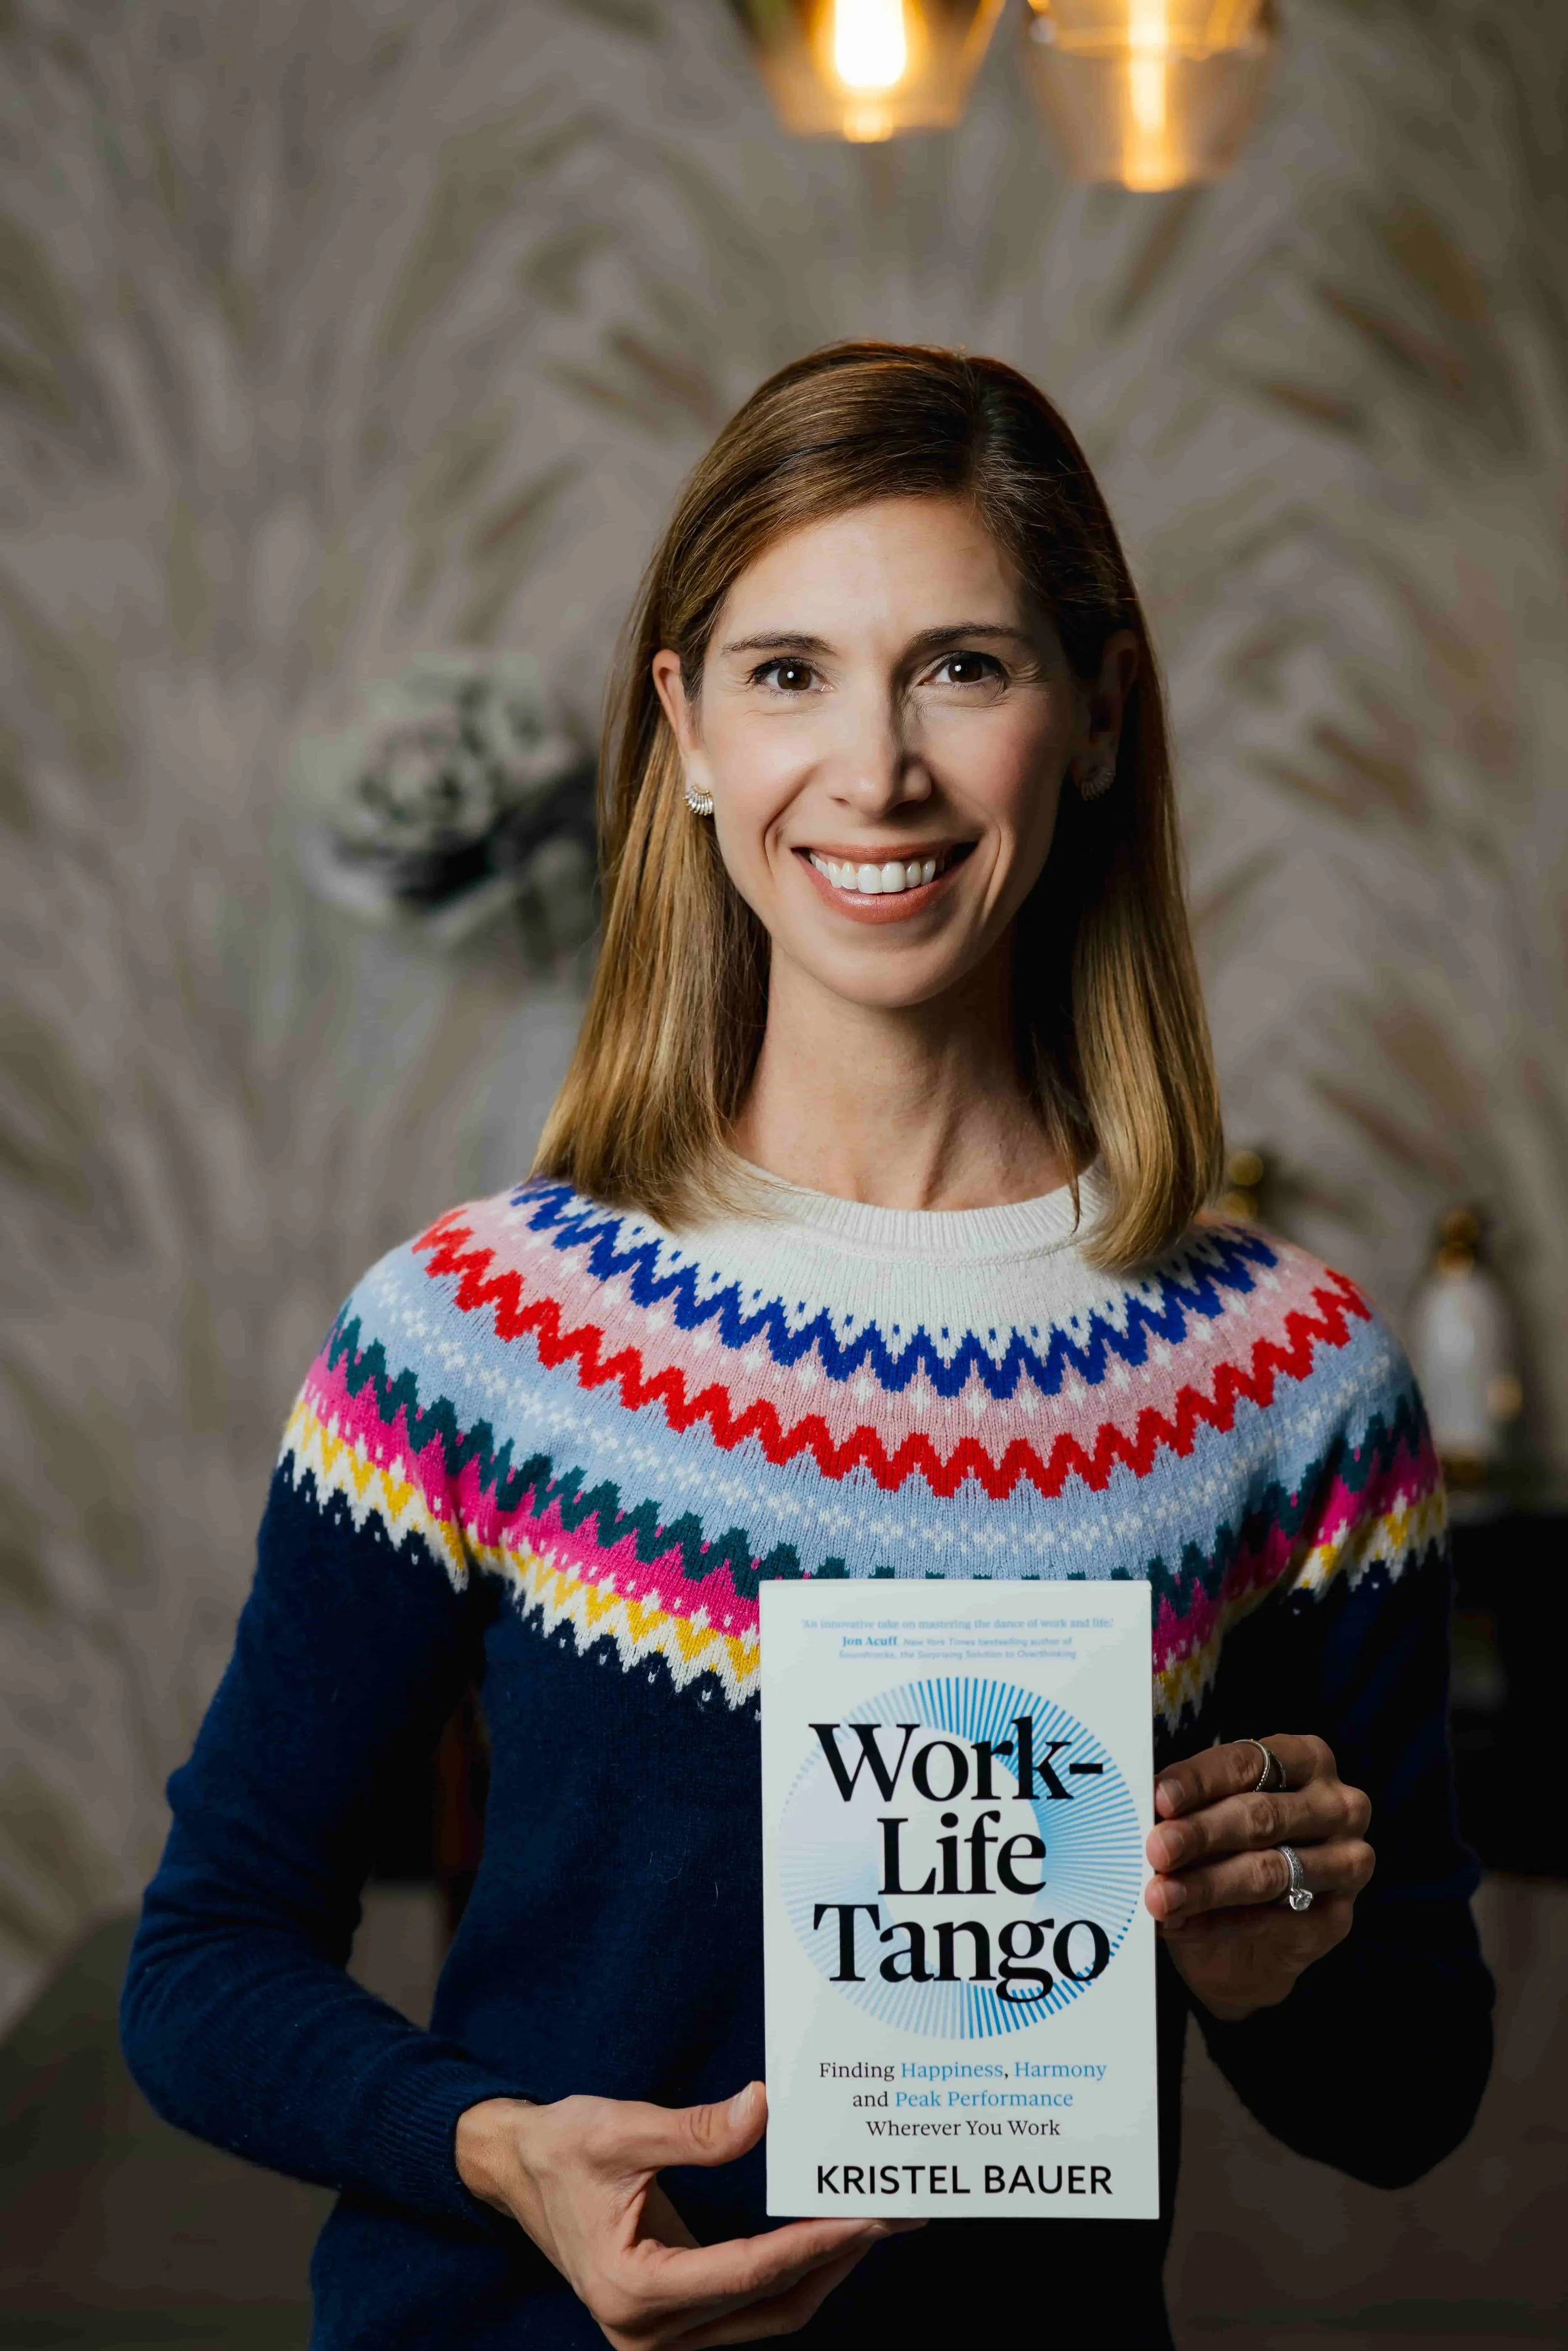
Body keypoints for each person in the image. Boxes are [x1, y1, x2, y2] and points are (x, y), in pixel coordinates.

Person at [122, 342, 1492, 2350]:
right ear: (681, 729)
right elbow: (207, 1957)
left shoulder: (1290, 1380)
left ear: (1095, 716)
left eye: (962, 666)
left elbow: (1407, 2097)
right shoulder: (474, 1329)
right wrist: (494, 2145)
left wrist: (1267, 1960)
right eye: (786, 673)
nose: (875, 771)